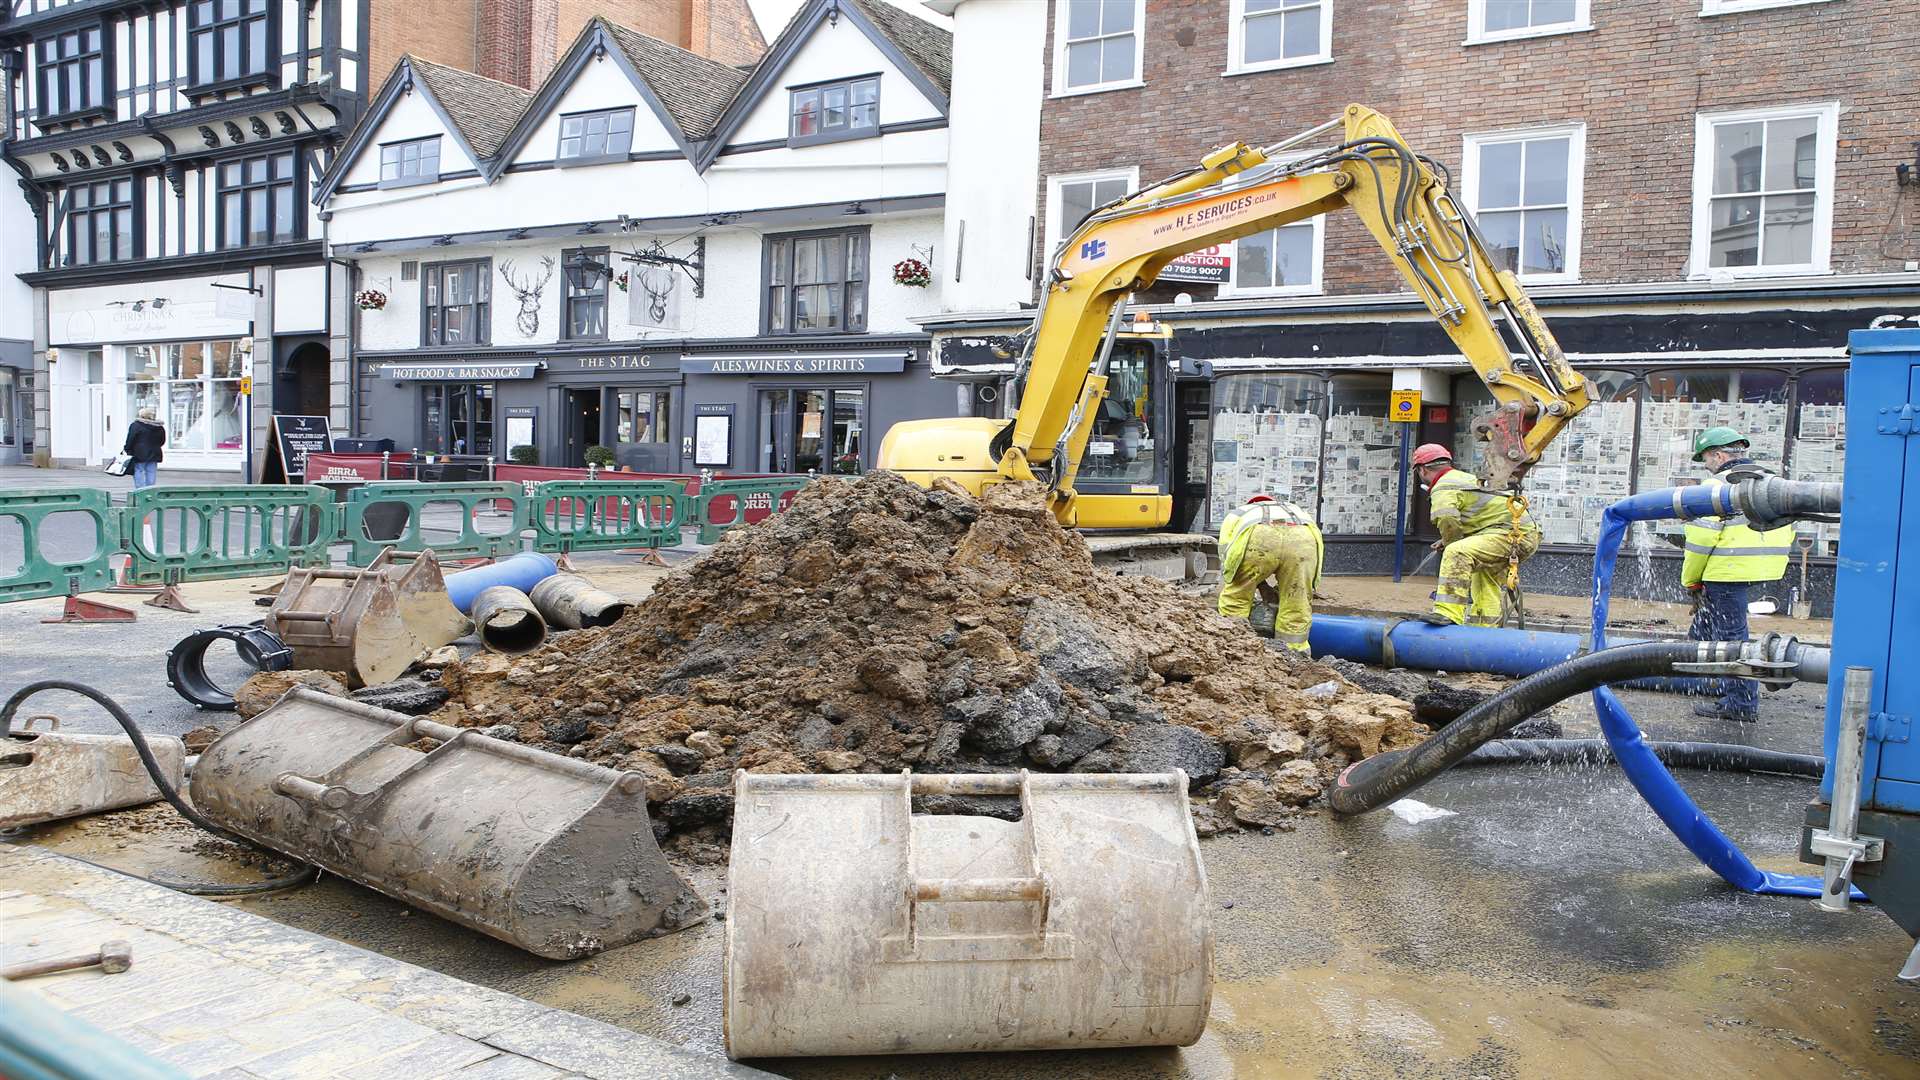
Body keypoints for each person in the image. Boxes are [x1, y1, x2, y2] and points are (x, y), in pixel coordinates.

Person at [1680, 427, 1794, 722]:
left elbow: (1699, 541)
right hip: (1760, 566)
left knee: (1732, 639)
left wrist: (1690, 579)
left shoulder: (1716, 486)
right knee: (1705, 627)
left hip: (1727, 570)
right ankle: (1699, 679)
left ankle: (1741, 703)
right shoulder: (1767, 480)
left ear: (1718, 455)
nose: (1705, 465)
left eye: (1705, 458)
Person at [1411, 443, 1540, 628]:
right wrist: (1448, 539)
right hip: (1517, 534)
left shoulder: (1442, 487)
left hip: (1510, 535)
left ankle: (1448, 613)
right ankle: (1484, 631)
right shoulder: (1461, 478)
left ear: (1422, 470)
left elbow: (1447, 519)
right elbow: (1479, 517)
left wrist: (1450, 543)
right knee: (1484, 578)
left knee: (1456, 552)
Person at [1216, 491, 1324, 652]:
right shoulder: (1294, 510)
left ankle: (1233, 647)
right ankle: (1294, 653)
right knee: (1296, 601)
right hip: (1303, 540)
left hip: (1258, 537)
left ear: (1251, 503)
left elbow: (1229, 556)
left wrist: (1248, 581)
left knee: (1237, 598)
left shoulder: (1240, 514)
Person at [123, 407, 166, 489]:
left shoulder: (136, 425)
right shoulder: (159, 427)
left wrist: (127, 449)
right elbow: (162, 441)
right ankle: (150, 489)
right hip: (155, 452)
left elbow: (130, 439)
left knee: (139, 470)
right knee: (151, 471)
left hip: (139, 453)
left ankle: (140, 489)